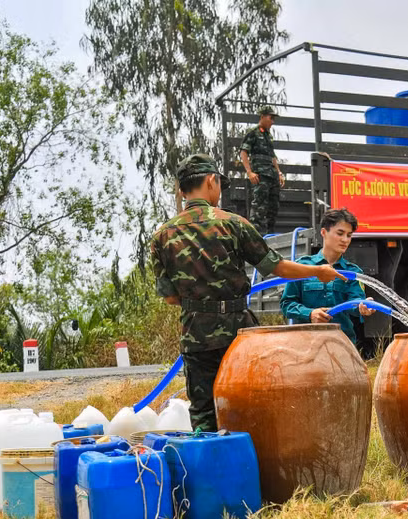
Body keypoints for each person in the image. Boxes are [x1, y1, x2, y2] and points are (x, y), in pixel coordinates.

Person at [151, 153, 344, 431]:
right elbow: (276, 267)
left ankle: (210, 468)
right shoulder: (233, 223)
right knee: (252, 401)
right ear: (210, 181)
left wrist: (200, 303)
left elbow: (170, 297)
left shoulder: (162, 236)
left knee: (204, 412)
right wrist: (318, 270)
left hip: (196, 335)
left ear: (182, 190)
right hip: (239, 334)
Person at [280, 209, 375, 346]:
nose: (345, 240)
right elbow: (287, 304)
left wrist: (363, 306)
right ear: (324, 232)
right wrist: (310, 314)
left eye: (349, 235)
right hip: (305, 345)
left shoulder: (352, 272)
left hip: (341, 345)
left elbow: (355, 301)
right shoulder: (302, 267)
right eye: (340, 233)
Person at [239, 105, 285, 234]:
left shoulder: (268, 136)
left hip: (272, 175)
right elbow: (243, 152)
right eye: (271, 118)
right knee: (259, 207)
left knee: (273, 207)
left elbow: (272, 156)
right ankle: (255, 236)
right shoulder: (253, 132)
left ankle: (270, 235)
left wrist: (279, 173)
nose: (272, 121)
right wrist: (249, 172)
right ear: (263, 117)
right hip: (260, 175)